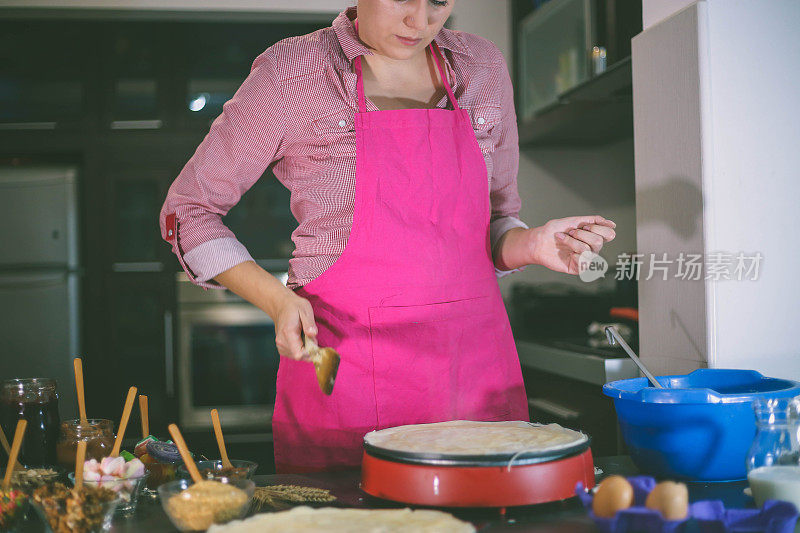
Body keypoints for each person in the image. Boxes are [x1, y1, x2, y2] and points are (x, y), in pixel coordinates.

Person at [160, 0, 617, 473]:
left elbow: (497, 221)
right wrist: (276, 299)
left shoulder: (482, 66)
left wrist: (533, 244)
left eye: (439, 1)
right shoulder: (293, 72)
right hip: (348, 377)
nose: (420, 22)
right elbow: (188, 213)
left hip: (476, 376)